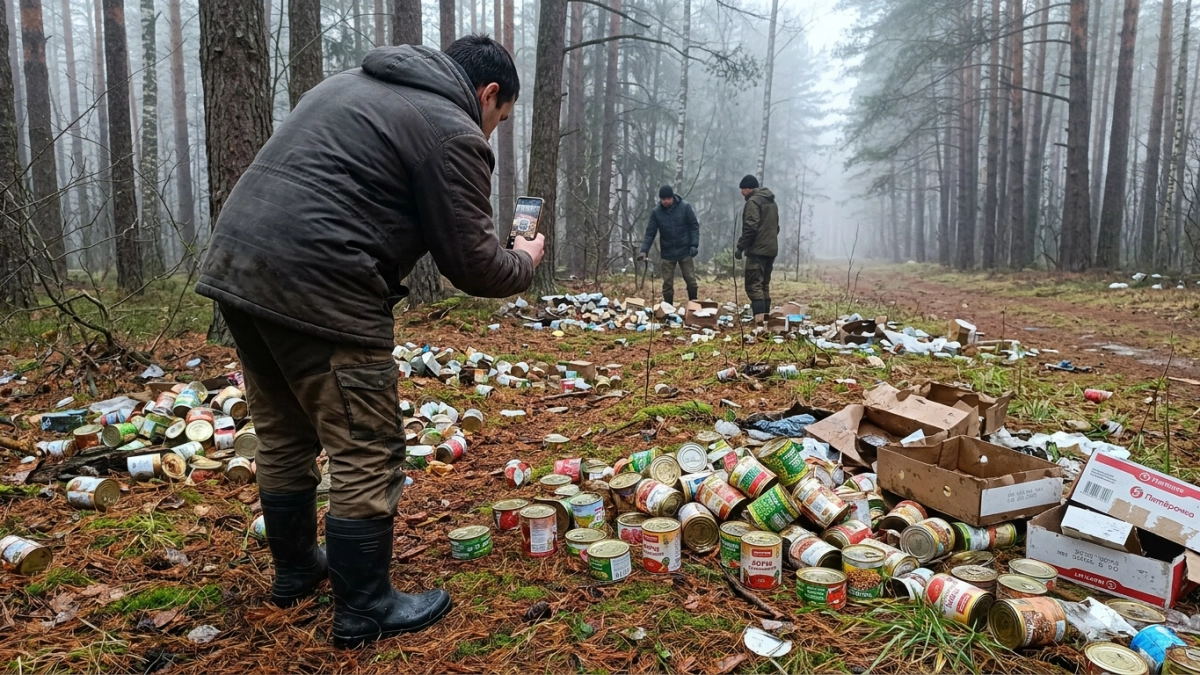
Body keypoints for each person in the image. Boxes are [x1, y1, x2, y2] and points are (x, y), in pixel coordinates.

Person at [194, 36, 543, 648]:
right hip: (321, 284)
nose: (490, 133)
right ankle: (364, 608)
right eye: (500, 119)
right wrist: (525, 257)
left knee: (284, 431)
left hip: (237, 271)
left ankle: (297, 572)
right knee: (368, 445)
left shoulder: (345, 86)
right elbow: (476, 267)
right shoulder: (449, 128)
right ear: (488, 95)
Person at [638, 185, 700, 305]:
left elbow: (694, 226)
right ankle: (668, 308)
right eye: (663, 199)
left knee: (691, 281)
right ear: (660, 199)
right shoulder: (656, 212)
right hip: (667, 252)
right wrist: (644, 250)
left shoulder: (685, 207)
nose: (666, 201)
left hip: (685, 250)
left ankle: (694, 305)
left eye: (668, 198)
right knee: (667, 283)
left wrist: (694, 245)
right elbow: (650, 233)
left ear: (673, 197)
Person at [734, 175, 779, 323]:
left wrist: (741, 246)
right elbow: (776, 227)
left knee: (754, 285)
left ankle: (759, 321)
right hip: (771, 249)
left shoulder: (753, 202)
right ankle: (766, 319)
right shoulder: (771, 202)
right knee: (764, 284)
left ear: (749, 188)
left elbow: (751, 227)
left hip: (757, 250)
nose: (742, 193)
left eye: (743, 189)